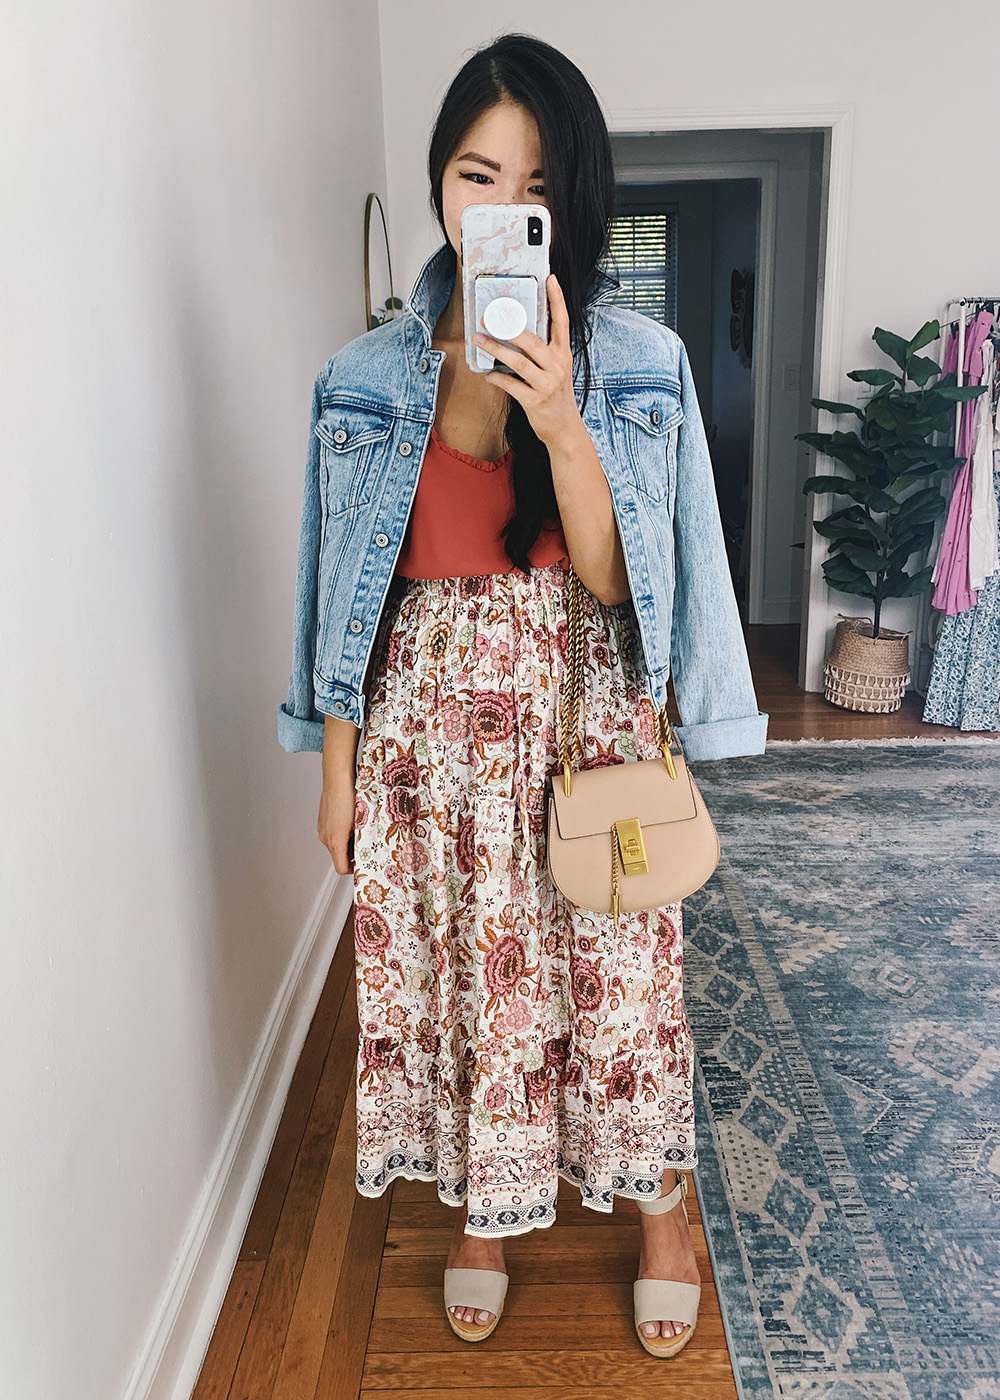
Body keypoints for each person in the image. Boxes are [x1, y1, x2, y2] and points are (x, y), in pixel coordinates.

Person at [278, 32, 767, 1359]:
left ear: (577, 197)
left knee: (619, 979)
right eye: (476, 175)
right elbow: (343, 598)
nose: (499, 206)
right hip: (422, 741)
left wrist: (560, 424)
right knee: (461, 981)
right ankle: (483, 1217)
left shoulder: (641, 360)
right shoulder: (361, 378)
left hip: (583, 717)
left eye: (535, 184)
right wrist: (336, 773)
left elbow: (616, 584)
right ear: (439, 181)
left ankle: (661, 1212)